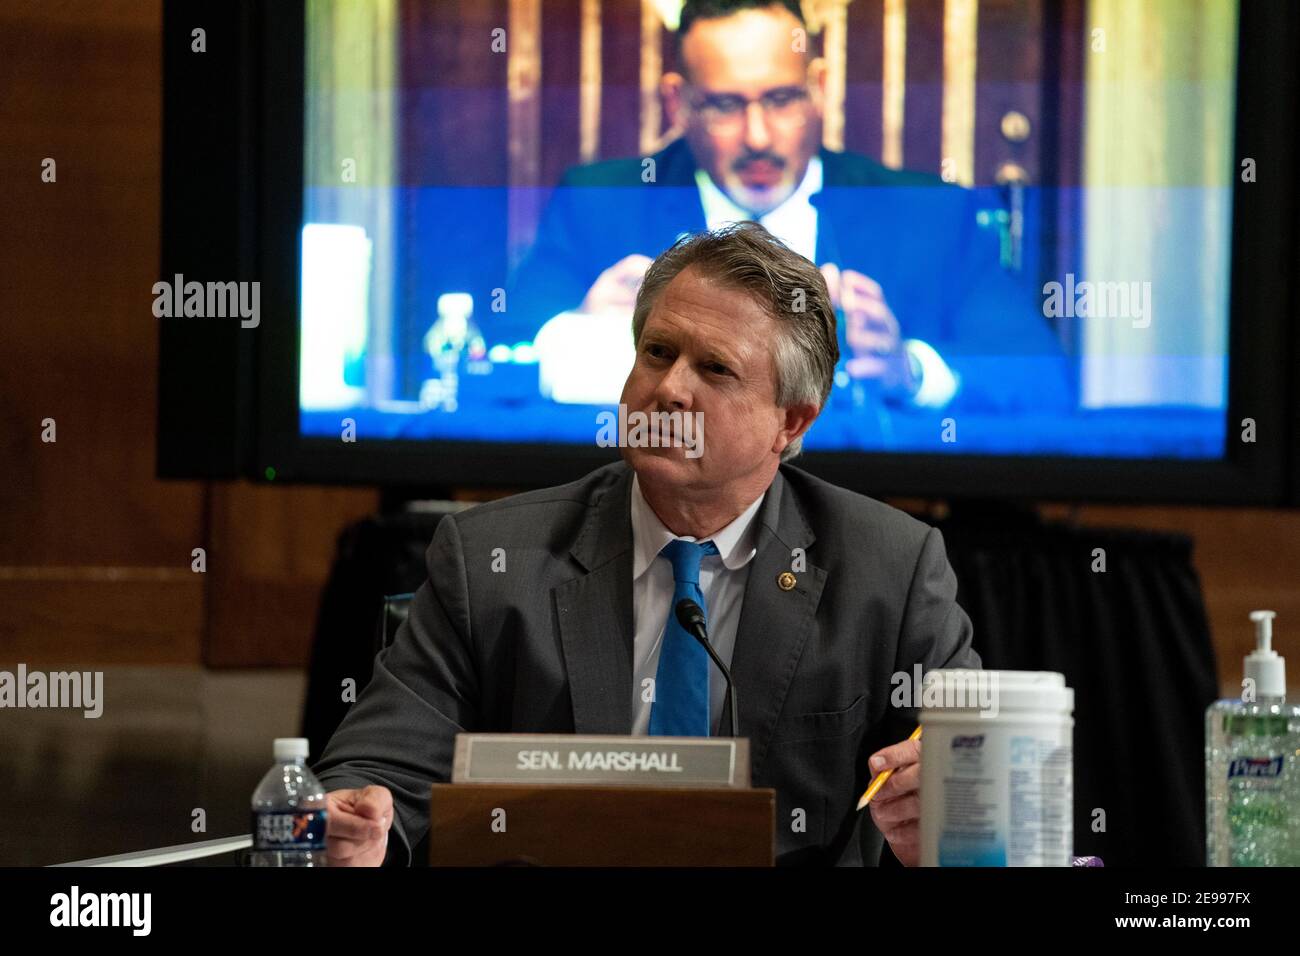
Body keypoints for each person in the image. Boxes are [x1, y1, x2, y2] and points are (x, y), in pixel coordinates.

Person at [314, 221, 980, 866]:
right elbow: (380, 764)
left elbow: (967, 784)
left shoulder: (889, 569)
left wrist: (948, 817)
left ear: (792, 418)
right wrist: (358, 821)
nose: (667, 389)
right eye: (658, 353)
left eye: (715, 369)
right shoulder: (491, 557)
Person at [501, 0, 1070, 413]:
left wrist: (911, 370)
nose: (757, 136)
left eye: (781, 99)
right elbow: (492, 369)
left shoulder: (927, 215)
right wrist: (582, 338)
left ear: (817, 87)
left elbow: (1040, 378)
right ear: (679, 102)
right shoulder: (602, 205)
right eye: (725, 105)